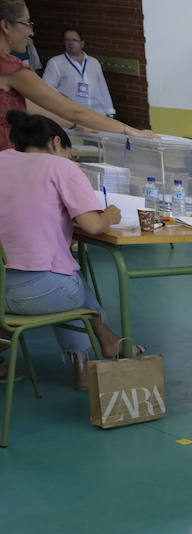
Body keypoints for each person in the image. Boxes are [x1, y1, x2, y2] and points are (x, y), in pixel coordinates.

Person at [0, 111, 125, 388]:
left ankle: (106, 343)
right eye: (69, 152)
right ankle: (95, 357)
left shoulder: (2, 160)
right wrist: (110, 216)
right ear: (57, 142)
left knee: (66, 278)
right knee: (71, 286)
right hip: (40, 294)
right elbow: (92, 226)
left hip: (1, 292)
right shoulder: (61, 168)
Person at [0, 2, 152, 150]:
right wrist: (128, 130)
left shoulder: (93, 62)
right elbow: (74, 112)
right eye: (27, 23)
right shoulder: (10, 67)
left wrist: (75, 125)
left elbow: (30, 106)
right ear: (6, 26)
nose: (31, 32)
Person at [42, 28, 113, 116]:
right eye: (67, 40)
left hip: (97, 112)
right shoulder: (55, 62)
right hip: (72, 114)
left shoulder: (94, 62)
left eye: (74, 40)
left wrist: (110, 111)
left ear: (82, 43)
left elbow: (103, 88)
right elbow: (46, 89)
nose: (71, 43)